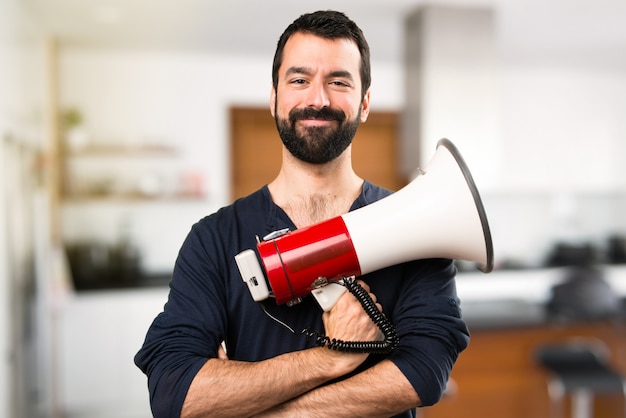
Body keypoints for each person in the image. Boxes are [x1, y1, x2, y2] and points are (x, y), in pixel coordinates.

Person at [135, 10, 469, 418]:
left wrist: (253, 407)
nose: (318, 98)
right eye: (299, 80)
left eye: (339, 81)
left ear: (364, 103)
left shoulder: (420, 229)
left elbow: (423, 373)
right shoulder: (214, 239)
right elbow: (175, 393)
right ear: (274, 98)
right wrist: (330, 359)